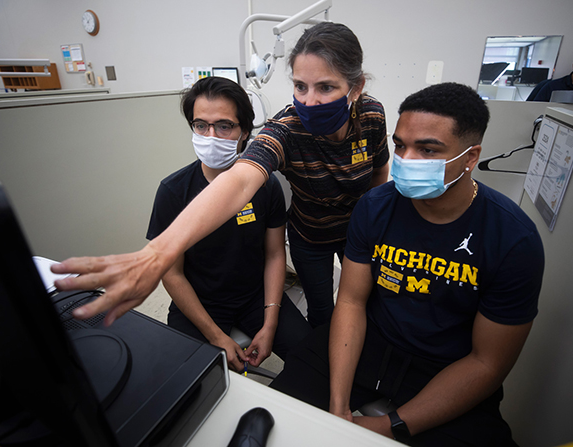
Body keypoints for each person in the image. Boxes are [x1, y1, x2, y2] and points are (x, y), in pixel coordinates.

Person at [51, 22, 390, 329]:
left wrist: (372, 225)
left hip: (358, 231)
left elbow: (378, 173)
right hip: (311, 238)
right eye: (300, 86)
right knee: (323, 310)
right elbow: (240, 178)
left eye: (326, 87)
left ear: (355, 87)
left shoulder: (372, 115)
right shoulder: (285, 130)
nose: (310, 101)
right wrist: (157, 253)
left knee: (369, 302)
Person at [270, 82, 545, 446]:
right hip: (370, 343)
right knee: (281, 420)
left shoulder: (512, 240)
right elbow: (351, 302)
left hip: (446, 367)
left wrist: (391, 426)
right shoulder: (375, 206)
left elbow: (486, 362)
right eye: (400, 145)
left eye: (428, 149)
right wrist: (337, 405)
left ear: (470, 157)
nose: (406, 160)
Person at [147, 76, 310, 372]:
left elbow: (274, 254)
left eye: (224, 126)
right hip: (198, 302)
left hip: (253, 296)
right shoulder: (173, 191)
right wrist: (215, 336)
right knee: (182, 384)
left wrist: (270, 322)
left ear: (244, 132)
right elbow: (171, 274)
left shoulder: (266, 186)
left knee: (313, 361)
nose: (211, 135)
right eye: (201, 125)